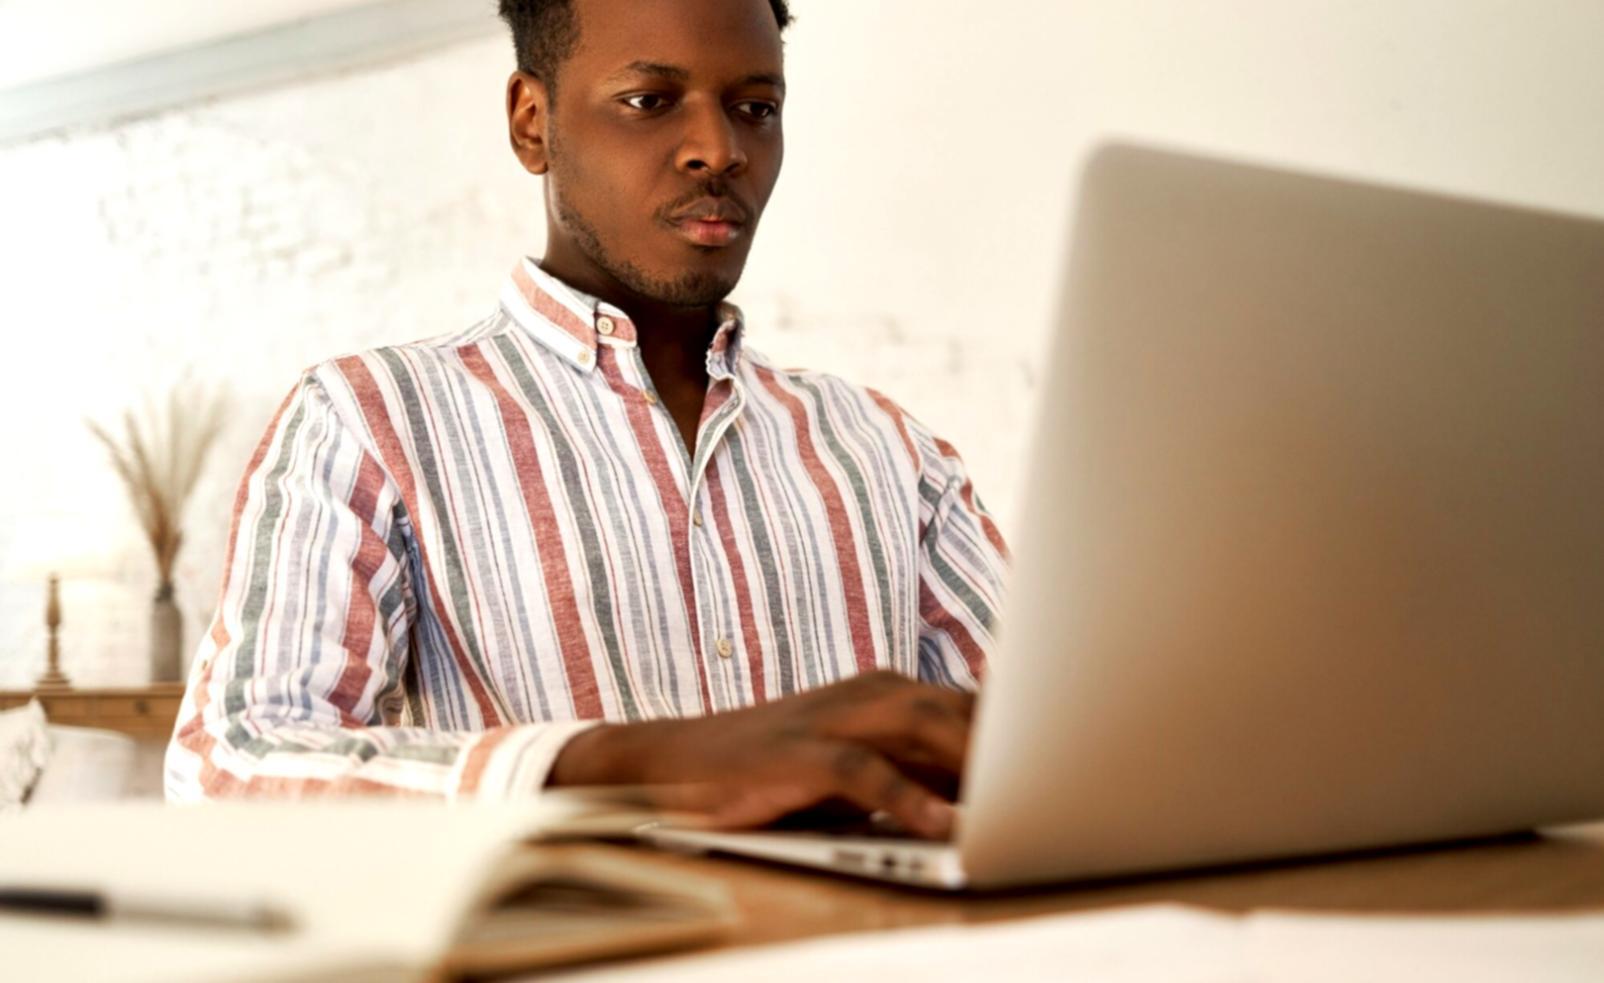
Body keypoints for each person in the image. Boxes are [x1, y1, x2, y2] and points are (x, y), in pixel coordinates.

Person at [165, 0, 1009, 841]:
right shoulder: (368, 422)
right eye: (649, 100)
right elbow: (228, 767)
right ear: (532, 122)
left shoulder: (891, 452)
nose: (719, 149)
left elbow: (1052, 748)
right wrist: (643, 764)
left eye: (756, 108)